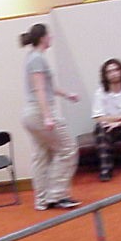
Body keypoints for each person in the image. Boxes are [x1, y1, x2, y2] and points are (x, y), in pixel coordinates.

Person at [20, 23, 82, 211]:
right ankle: (57, 195)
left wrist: (67, 94)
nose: (51, 38)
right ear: (43, 38)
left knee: (42, 155)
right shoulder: (37, 59)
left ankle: (42, 199)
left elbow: (47, 87)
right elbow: (39, 90)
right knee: (68, 149)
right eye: (49, 35)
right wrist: (47, 116)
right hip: (39, 112)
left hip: (31, 114)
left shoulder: (32, 57)